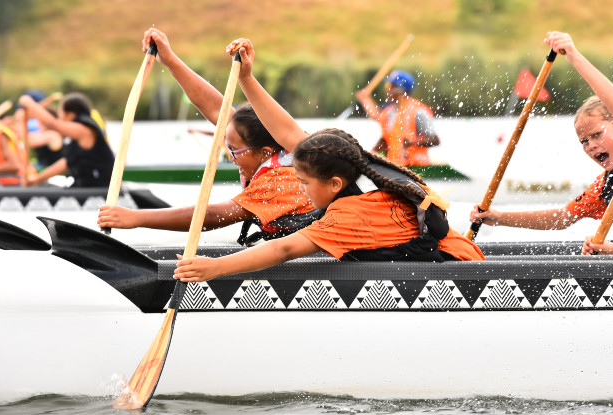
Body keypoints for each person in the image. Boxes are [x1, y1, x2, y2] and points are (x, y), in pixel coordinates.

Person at [172, 38, 484, 284]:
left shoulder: (345, 217)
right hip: (460, 251)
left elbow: (284, 249)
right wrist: (247, 78)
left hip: (460, 272)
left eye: (304, 183)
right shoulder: (362, 169)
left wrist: (214, 268)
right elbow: (290, 132)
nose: (301, 189)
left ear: (335, 183)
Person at [97, 28, 319, 244]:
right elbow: (215, 110)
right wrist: (169, 59)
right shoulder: (262, 143)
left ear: (265, 152)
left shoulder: (283, 180)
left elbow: (214, 216)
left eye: (234, 151)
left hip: (325, 255)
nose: (231, 157)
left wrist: (136, 218)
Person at [469, 31, 613, 255]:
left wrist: (574, 57)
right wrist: (497, 218)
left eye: (596, 135)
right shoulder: (606, 187)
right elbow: (562, 218)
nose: (591, 146)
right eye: (584, 141)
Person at [17, 92, 114, 187]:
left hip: (100, 189)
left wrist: (29, 103)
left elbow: (53, 124)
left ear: (70, 114)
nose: (59, 117)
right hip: (85, 186)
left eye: (60, 112)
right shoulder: (75, 138)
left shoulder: (84, 130)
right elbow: (65, 163)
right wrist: (35, 181)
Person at [355, 70, 440, 167]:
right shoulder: (390, 111)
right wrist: (371, 153)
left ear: (399, 89)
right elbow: (386, 138)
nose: (386, 90)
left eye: (389, 86)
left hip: (416, 166)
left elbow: (435, 140)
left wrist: (412, 143)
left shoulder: (418, 112)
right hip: (396, 166)